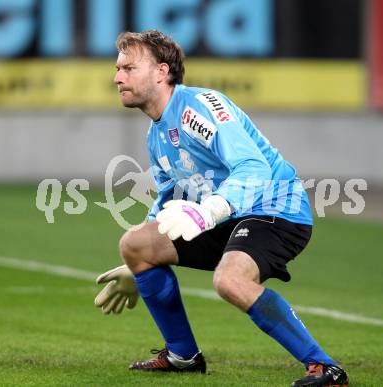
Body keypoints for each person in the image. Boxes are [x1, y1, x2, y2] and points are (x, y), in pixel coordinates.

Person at [94, 30, 349, 387]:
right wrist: (138, 267)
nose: (117, 77)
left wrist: (208, 211)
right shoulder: (156, 133)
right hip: (226, 214)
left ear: (161, 72)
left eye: (129, 67)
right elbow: (170, 194)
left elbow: (255, 168)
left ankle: (326, 369)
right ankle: (183, 357)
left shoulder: (199, 108)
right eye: (117, 68)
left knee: (230, 281)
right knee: (135, 243)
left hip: (275, 210)